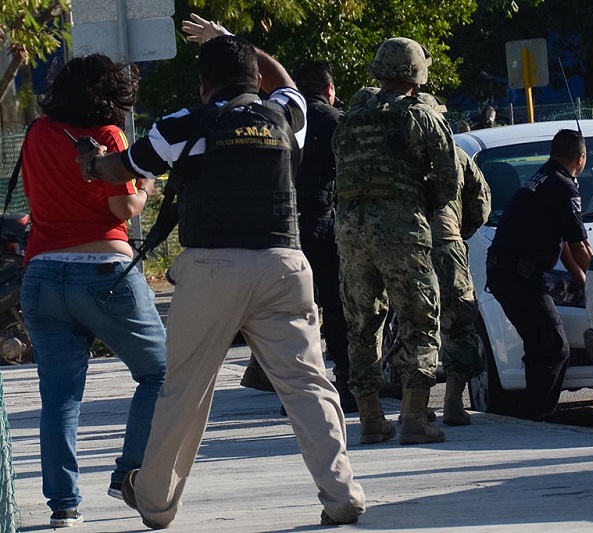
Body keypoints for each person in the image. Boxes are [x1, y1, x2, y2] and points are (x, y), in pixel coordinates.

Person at [76, 31, 365, 529]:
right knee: (308, 386)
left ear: (203, 83)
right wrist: (238, 42)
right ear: (255, 77)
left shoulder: (184, 124)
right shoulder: (287, 117)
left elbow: (118, 167)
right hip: (284, 265)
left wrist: (88, 161)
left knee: (184, 389)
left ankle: (157, 504)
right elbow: (290, 84)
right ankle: (342, 495)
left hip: (212, 270)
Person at [19, 54, 167, 528]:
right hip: (104, 272)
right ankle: (128, 473)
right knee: (161, 373)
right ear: (111, 95)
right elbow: (123, 207)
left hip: (41, 274)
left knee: (60, 397)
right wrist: (146, 187)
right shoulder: (108, 137)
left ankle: (63, 506)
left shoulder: (36, 134)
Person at [332, 38, 460, 445]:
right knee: (419, 321)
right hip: (402, 230)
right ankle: (414, 418)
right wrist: (416, 202)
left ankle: (370, 417)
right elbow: (448, 183)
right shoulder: (423, 117)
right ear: (417, 74)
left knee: (361, 324)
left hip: (351, 232)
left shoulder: (349, 120)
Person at [240, 60, 357, 414]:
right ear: (329, 91)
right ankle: (347, 388)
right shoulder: (336, 122)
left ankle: (293, 394)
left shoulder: (273, 118)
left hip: (283, 227)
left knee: (290, 314)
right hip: (323, 223)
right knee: (337, 309)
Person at [485, 129, 593, 421]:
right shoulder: (564, 187)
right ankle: (539, 416)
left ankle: (533, 415)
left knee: (540, 346)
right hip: (519, 277)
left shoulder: (544, 178)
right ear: (581, 158)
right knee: (555, 348)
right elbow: (579, 245)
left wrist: (582, 280)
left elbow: (562, 244)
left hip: (509, 273)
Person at [430, 144, 491, 426]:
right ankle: (453, 401)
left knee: (413, 322)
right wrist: (457, 233)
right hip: (445, 243)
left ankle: (413, 406)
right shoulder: (455, 152)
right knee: (460, 320)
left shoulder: (394, 149)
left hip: (404, 245)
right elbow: (481, 202)